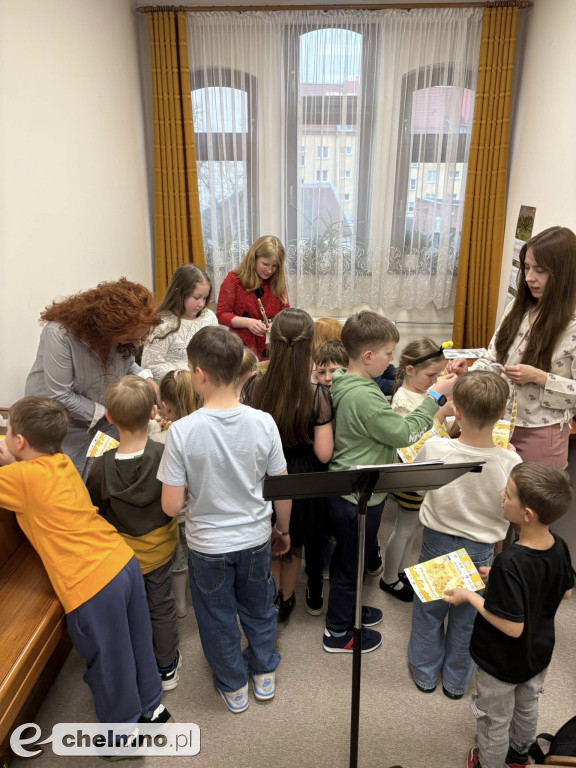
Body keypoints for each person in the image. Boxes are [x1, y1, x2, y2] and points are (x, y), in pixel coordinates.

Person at [0, 397, 171, 742]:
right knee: (137, 638)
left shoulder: (19, 478)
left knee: (110, 659)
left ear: (19, 442)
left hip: (92, 583)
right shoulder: (61, 462)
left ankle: (121, 732)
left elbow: (18, 476)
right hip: (121, 560)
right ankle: (152, 705)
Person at [158, 326, 291, 713]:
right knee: (260, 608)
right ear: (241, 371)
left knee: (216, 618)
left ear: (198, 374)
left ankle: (233, 685)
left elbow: (170, 507)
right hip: (255, 539)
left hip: (207, 547)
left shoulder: (181, 432)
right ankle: (264, 673)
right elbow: (280, 487)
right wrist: (282, 530)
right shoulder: (264, 422)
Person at [324, 311, 456, 654]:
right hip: (357, 496)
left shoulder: (346, 380)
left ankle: (349, 610)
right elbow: (403, 433)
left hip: (357, 491)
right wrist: (434, 398)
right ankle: (337, 631)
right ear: (368, 357)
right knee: (350, 567)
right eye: (388, 354)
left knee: (351, 559)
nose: (391, 361)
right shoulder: (365, 396)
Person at [444, 463, 574, 768]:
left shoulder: (510, 561)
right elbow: (565, 591)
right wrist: (502, 582)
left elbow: (512, 627)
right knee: (527, 706)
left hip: (501, 661)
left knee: (494, 718)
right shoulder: (559, 546)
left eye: (509, 493)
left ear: (527, 514)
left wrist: (470, 596)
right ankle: (519, 755)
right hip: (538, 653)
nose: (502, 495)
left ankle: (488, 764)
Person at [406, 371, 523, 699]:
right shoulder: (510, 460)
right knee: (468, 614)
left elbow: (415, 486)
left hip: (436, 541)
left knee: (429, 609)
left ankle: (425, 674)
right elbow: (509, 510)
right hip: (481, 548)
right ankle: (456, 683)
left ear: (457, 411)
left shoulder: (437, 447)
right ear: (501, 414)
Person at [449, 226, 576, 468]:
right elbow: (493, 357)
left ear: (564, 274)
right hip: (499, 422)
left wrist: (540, 378)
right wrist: (468, 372)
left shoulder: (572, 324)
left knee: (531, 500)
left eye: (540, 270)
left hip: (541, 431)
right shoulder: (517, 308)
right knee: (500, 497)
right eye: (527, 267)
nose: (529, 278)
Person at [85, 376, 181, 691]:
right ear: (154, 413)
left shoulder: (100, 466)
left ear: (109, 417)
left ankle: (138, 666)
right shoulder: (165, 454)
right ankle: (167, 666)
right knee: (162, 605)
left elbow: (95, 510)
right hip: (162, 550)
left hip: (124, 558)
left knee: (130, 612)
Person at [243, 308, 334, 619]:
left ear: (273, 342)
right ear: (310, 347)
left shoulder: (254, 386)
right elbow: (324, 454)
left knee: (269, 539)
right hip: (302, 478)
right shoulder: (317, 393)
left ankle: (269, 596)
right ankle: (286, 600)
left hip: (263, 476)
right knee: (292, 543)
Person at [25, 278, 161, 479]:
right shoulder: (59, 334)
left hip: (104, 417)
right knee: (69, 482)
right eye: (132, 338)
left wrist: (147, 380)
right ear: (107, 329)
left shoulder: (122, 339)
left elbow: (127, 364)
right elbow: (60, 395)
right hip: (58, 422)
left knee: (106, 475)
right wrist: (112, 414)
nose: (137, 342)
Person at [380, 338, 455, 602]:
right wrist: (441, 412)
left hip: (424, 470)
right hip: (410, 473)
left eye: (437, 376)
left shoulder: (424, 394)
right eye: (430, 375)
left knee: (410, 529)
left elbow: (439, 431)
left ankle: (399, 571)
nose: (434, 381)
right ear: (410, 370)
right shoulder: (403, 399)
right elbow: (413, 436)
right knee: (404, 528)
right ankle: (389, 578)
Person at [148, 368, 199, 618]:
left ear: (165, 408)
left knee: (178, 565)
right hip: (199, 513)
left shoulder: (165, 438)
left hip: (176, 514)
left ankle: (180, 605)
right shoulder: (201, 429)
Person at [216, 235, 289, 360]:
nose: (269, 270)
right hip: (242, 346)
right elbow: (222, 314)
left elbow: (285, 313)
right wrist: (248, 323)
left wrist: (276, 324)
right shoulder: (234, 280)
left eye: (274, 266)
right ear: (253, 259)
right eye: (265, 264)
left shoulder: (277, 281)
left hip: (271, 346)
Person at [142, 263, 217, 382]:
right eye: (197, 297)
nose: (202, 304)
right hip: (177, 391)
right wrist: (187, 375)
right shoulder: (162, 324)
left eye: (205, 298)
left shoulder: (209, 317)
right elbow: (151, 367)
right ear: (179, 294)